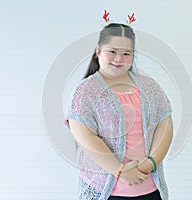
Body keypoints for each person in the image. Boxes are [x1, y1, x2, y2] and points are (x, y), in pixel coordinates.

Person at [65, 22, 173, 200]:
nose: (119, 59)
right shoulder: (86, 91)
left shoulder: (149, 86)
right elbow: (86, 137)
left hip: (150, 189)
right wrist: (120, 171)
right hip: (107, 191)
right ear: (98, 50)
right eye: (112, 52)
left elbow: (165, 123)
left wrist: (149, 164)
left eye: (126, 53)